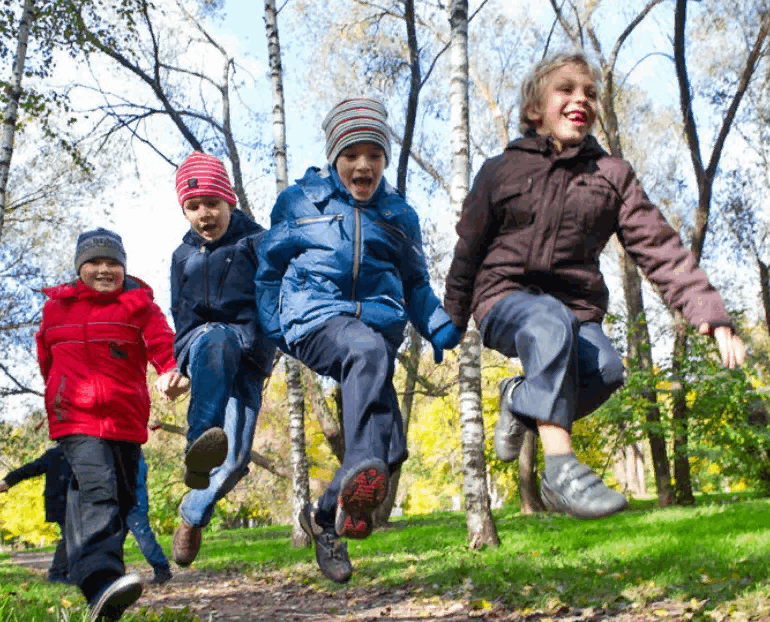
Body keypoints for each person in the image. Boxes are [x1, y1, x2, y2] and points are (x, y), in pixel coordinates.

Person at [443, 51, 747, 520]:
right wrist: (452, 317)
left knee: (606, 370)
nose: (579, 99)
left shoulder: (612, 176)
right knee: (548, 323)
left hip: (576, 306)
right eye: (565, 90)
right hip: (503, 297)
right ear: (534, 110)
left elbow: (658, 245)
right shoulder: (500, 171)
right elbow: (467, 250)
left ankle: (519, 400)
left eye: (589, 93)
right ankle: (561, 474)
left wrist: (708, 312)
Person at [255, 98, 464, 584]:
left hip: (374, 326)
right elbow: (268, 268)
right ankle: (351, 487)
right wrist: (272, 328)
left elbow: (415, 283)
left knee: (389, 449)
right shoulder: (299, 202)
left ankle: (325, 518)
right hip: (314, 317)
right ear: (334, 158)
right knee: (364, 350)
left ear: (385, 160)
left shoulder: (399, 215)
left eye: (374, 154)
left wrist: (434, 323)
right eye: (352, 153)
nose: (363, 164)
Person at [36, 228, 188, 621]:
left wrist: (173, 372)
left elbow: (163, 346)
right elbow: (46, 359)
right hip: (75, 419)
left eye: (112, 263)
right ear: (79, 268)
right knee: (99, 493)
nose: (104, 270)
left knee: (120, 502)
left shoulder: (139, 307)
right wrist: (54, 396)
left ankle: (103, 599)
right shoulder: (57, 309)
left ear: (123, 269)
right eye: (95, 262)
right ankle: (102, 581)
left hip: (124, 418)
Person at [169, 152, 276, 568]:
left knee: (233, 463)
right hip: (206, 346)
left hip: (248, 354)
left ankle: (191, 515)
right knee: (214, 339)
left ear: (229, 200)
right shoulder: (182, 257)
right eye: (193, 207)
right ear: (185, 210)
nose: (204, 215)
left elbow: (278, 297)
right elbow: (181, 316)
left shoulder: (259, 243)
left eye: (211, 204)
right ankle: (199, 438)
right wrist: (180, 366)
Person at [0, 445, 72, 584]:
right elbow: (31, 468)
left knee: (79, 536)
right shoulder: (55, 453)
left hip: (80, 501)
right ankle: (57, 574)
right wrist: (8, 481)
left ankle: (71, 572)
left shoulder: (91, 450)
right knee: (70, 535)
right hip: (61, 502)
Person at [125, 450, 172, 586]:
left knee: (140, 534)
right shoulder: (136, 452)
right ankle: (161, 567)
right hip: (137, 497)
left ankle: (161, 567)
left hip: (130, 497)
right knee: (142, 533)